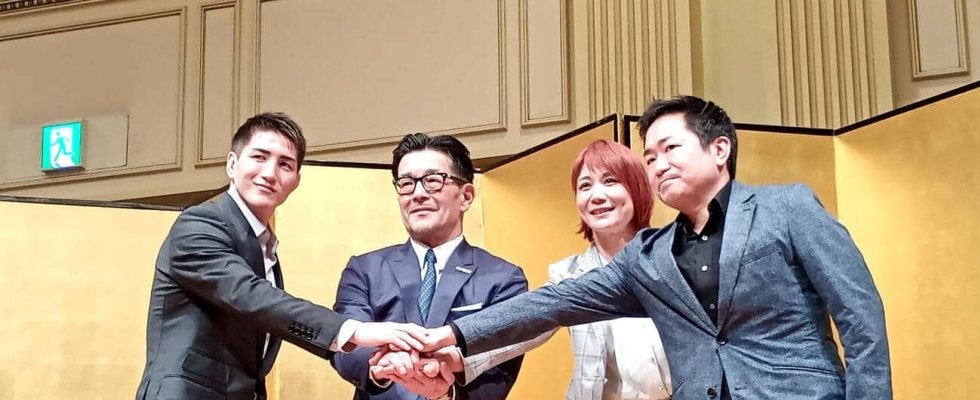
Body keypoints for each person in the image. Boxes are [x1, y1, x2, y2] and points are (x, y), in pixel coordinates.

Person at [423, 96, 892, 400]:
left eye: (670, 149)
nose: (658, 164)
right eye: (649, 157)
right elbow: (552, 303)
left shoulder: (787, 207)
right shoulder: (649, 257)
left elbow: (860, 316)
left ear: (720, 149)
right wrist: (451, 335)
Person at [135, 112, 425, 400]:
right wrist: (353, 330)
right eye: (259, 157)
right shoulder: (200, 223)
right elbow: (248, 295)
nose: (270, 173)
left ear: (296, 181)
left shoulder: (263, 245)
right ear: (232, 164)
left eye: (285, 164)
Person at [330, 133, 528, 400]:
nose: (418, 194)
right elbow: (345, 340)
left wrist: (446, 392)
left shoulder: (503, 278)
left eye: (433, 181)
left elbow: (500, 366)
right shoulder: (365, 269)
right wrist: (384, 367)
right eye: (406, 183)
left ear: (466, 196)